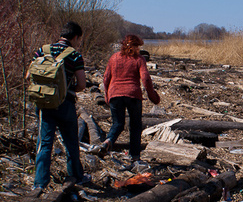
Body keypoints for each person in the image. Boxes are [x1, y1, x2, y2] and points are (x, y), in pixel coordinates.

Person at [33, 21, 88, 191]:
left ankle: (40, 183)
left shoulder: (43, 50)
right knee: (71, 141)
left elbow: (30, 74)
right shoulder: (75, 56)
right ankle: (76, 176)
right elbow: (82, 84)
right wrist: (68, 88)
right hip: (65, 104)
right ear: (76, 37)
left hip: (44, 102)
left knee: (45, 142)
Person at [100, 34, 160, 165]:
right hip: (133, 94)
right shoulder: (139, 59)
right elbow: (145, 79)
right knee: (135, 126)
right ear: (136, 46)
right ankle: (135, 156)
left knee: (118, 123)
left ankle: (108, 141)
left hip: (115, 94)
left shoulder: (114, 58)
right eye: (138, 46)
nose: (138, 49)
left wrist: (106, 94)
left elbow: (106, 78)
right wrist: (153, 96)